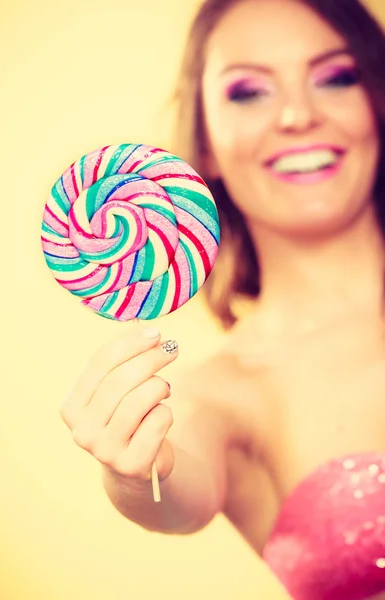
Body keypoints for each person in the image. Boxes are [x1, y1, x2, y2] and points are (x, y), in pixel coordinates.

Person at [60, 0, 385, 598]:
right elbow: (177, 494)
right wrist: (135, 472)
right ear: (205, 143)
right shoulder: (226, 393)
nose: (296, 115)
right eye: (249, 91)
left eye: (335, 77)